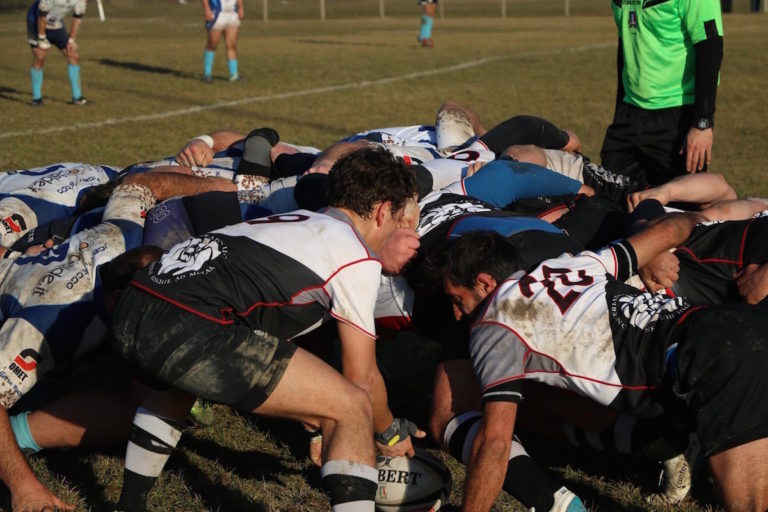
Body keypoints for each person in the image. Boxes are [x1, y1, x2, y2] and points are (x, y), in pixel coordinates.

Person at [108, 147, 424, 512]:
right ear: (384, 210)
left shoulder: (294, 221)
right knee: (351, 407)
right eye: (400, 220)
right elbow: (363, 377)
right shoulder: (354, 254)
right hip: (181, 325)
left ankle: (128, 505)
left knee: (184, 378)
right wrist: (389, 430)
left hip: (133, 306)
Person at [436, 215, 768, 511]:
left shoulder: (494, 324)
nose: (455, 314)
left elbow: (494, 443)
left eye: (456, 300)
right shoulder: (571, 264)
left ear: (484, 283)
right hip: (735, 319)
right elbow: (670, 228)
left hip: (707, 355)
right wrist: (695, 218)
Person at [0, 171, 235, 512]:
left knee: (153, 409)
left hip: (26, 268)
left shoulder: (126, 237)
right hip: (27, 300)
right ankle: (19, 438)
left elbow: (138, 183)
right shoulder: (46, 327)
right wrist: (25, 487)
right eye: (145, 314)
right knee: (143, 409)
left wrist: (208, 186)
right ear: (116, 298)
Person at [600, 0, 724, 187]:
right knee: (610, 197)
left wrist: (702, 123)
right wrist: (620, 109)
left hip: (676, 117)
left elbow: (710, 45)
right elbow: (625, 47)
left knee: (675, 210)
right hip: (629, 115)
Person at [26, 0, 88, 106]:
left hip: (55, 23)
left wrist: (71, 40)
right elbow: (41, 16)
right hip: (36, 21)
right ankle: (37, 99)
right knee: (40, 56)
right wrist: (42, 38)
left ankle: (77, 97)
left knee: (73, 55)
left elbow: (77, 17)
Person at [202, 0, 245, 82]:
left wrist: (241, 7)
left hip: (232, 13)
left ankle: (234, 74)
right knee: (212, 43)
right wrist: (207, 9)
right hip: (217, 12)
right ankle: (207, 73)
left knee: (232, 44)